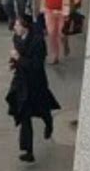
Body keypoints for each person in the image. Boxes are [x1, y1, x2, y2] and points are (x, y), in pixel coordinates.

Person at [6, 14, 60, 163]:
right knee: (25, 115)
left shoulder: (38, 42)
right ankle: (28, 150)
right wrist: (14, 62)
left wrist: (18, 59)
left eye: (17, 25)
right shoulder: (16, 38)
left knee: (42, 108)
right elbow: (18, 56)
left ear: (25, 27)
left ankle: (48, 122)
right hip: (22, 82)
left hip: (36, 83)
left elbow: (36, 66)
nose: (15, 28)